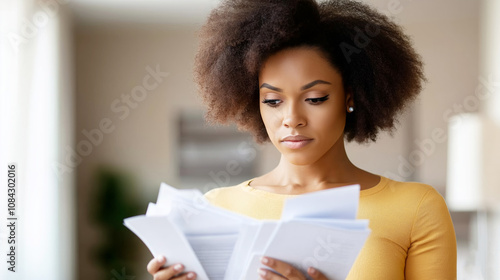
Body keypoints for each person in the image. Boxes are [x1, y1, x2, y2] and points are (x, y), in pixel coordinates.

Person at [147, 0, 457, 279]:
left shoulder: (416, 207)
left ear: (349, 97)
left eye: (315, 97)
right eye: (272, 101)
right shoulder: (215, 209)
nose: (292, 118)